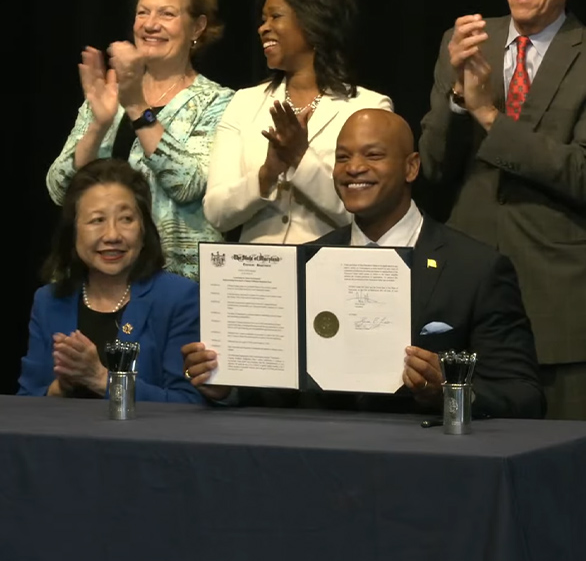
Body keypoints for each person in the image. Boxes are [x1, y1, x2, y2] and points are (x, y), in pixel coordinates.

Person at [184, 109, 545, 419]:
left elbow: (524, 395)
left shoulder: (476, 269)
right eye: (342, 158)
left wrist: (449, 391)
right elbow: (284, 391)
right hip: (317, 467)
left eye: (373, 155)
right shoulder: (304, 265)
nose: (354, 168)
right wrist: (228, 386)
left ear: (411, 167)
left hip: (427, 468)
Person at [417, 0, 586, 422]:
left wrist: (487, 115)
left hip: (562, 306)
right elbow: (433, 166)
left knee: (575, 472)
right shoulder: (465, 43)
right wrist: (457, 99)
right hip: (468, 299)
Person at [47, 0, 234, 281]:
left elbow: (188, 184)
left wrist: (136, 105)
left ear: (198, 27)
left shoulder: (220, 102)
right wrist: (99, 125)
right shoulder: (108, 93)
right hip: (95, 283)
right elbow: (59, 189)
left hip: (176, 290)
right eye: (143, 12)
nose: (150, 24)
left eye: (167, 14)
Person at [203, 0, 393, 244]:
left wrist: (300, 160)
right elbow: (216, 211)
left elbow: (370, 213)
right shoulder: (244, 103)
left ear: (314, 23)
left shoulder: (367, 108)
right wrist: (267, 174)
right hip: (256, 278)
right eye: (263, 19)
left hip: (330, 275)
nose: (263, 27)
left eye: (275, 16)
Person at [20, 159, 203, 403]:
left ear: (143, 229)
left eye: (126, 219)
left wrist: (101, 378)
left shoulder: (179, 298)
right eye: (97, 220)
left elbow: (188, 404)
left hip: (144, 441)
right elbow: (26, 403)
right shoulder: (48, 301)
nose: (113, 235)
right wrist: (61, 387)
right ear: (73, 231)